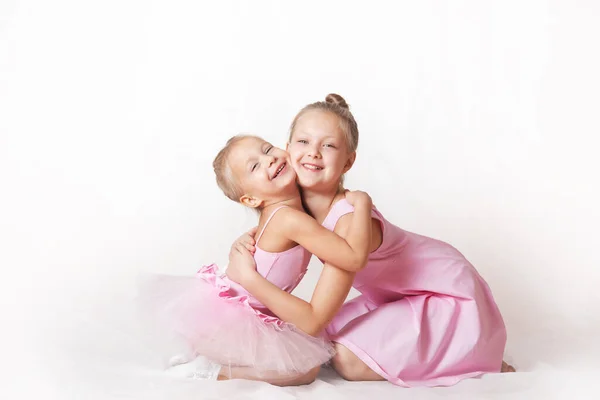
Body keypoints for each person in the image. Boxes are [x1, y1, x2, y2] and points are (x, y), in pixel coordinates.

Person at [226, 94, 515, 387]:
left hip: (445, 292)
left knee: (345, 359)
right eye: (303, 142)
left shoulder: (349, 219)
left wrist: (364, 203)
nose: (313, 153)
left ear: (348, 161)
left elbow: (317, 310)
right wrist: (246, 242)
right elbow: (270, 217)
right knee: (314, 340)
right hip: (396, 293)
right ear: (286, 150)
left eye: (328, 145)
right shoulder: (293, 201)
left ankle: (470, 354)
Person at [137, 134, 374, 386]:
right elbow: (351, 257)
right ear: (251, 200)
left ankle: (206, 356)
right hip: (233, 320)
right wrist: (362, 205)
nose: (269, 159)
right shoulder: (288, 219)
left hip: (232, 312)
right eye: (255, 166)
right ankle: (212, 371)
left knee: (305, 364)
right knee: (303, 371)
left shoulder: (283, 214)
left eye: (268, 149)